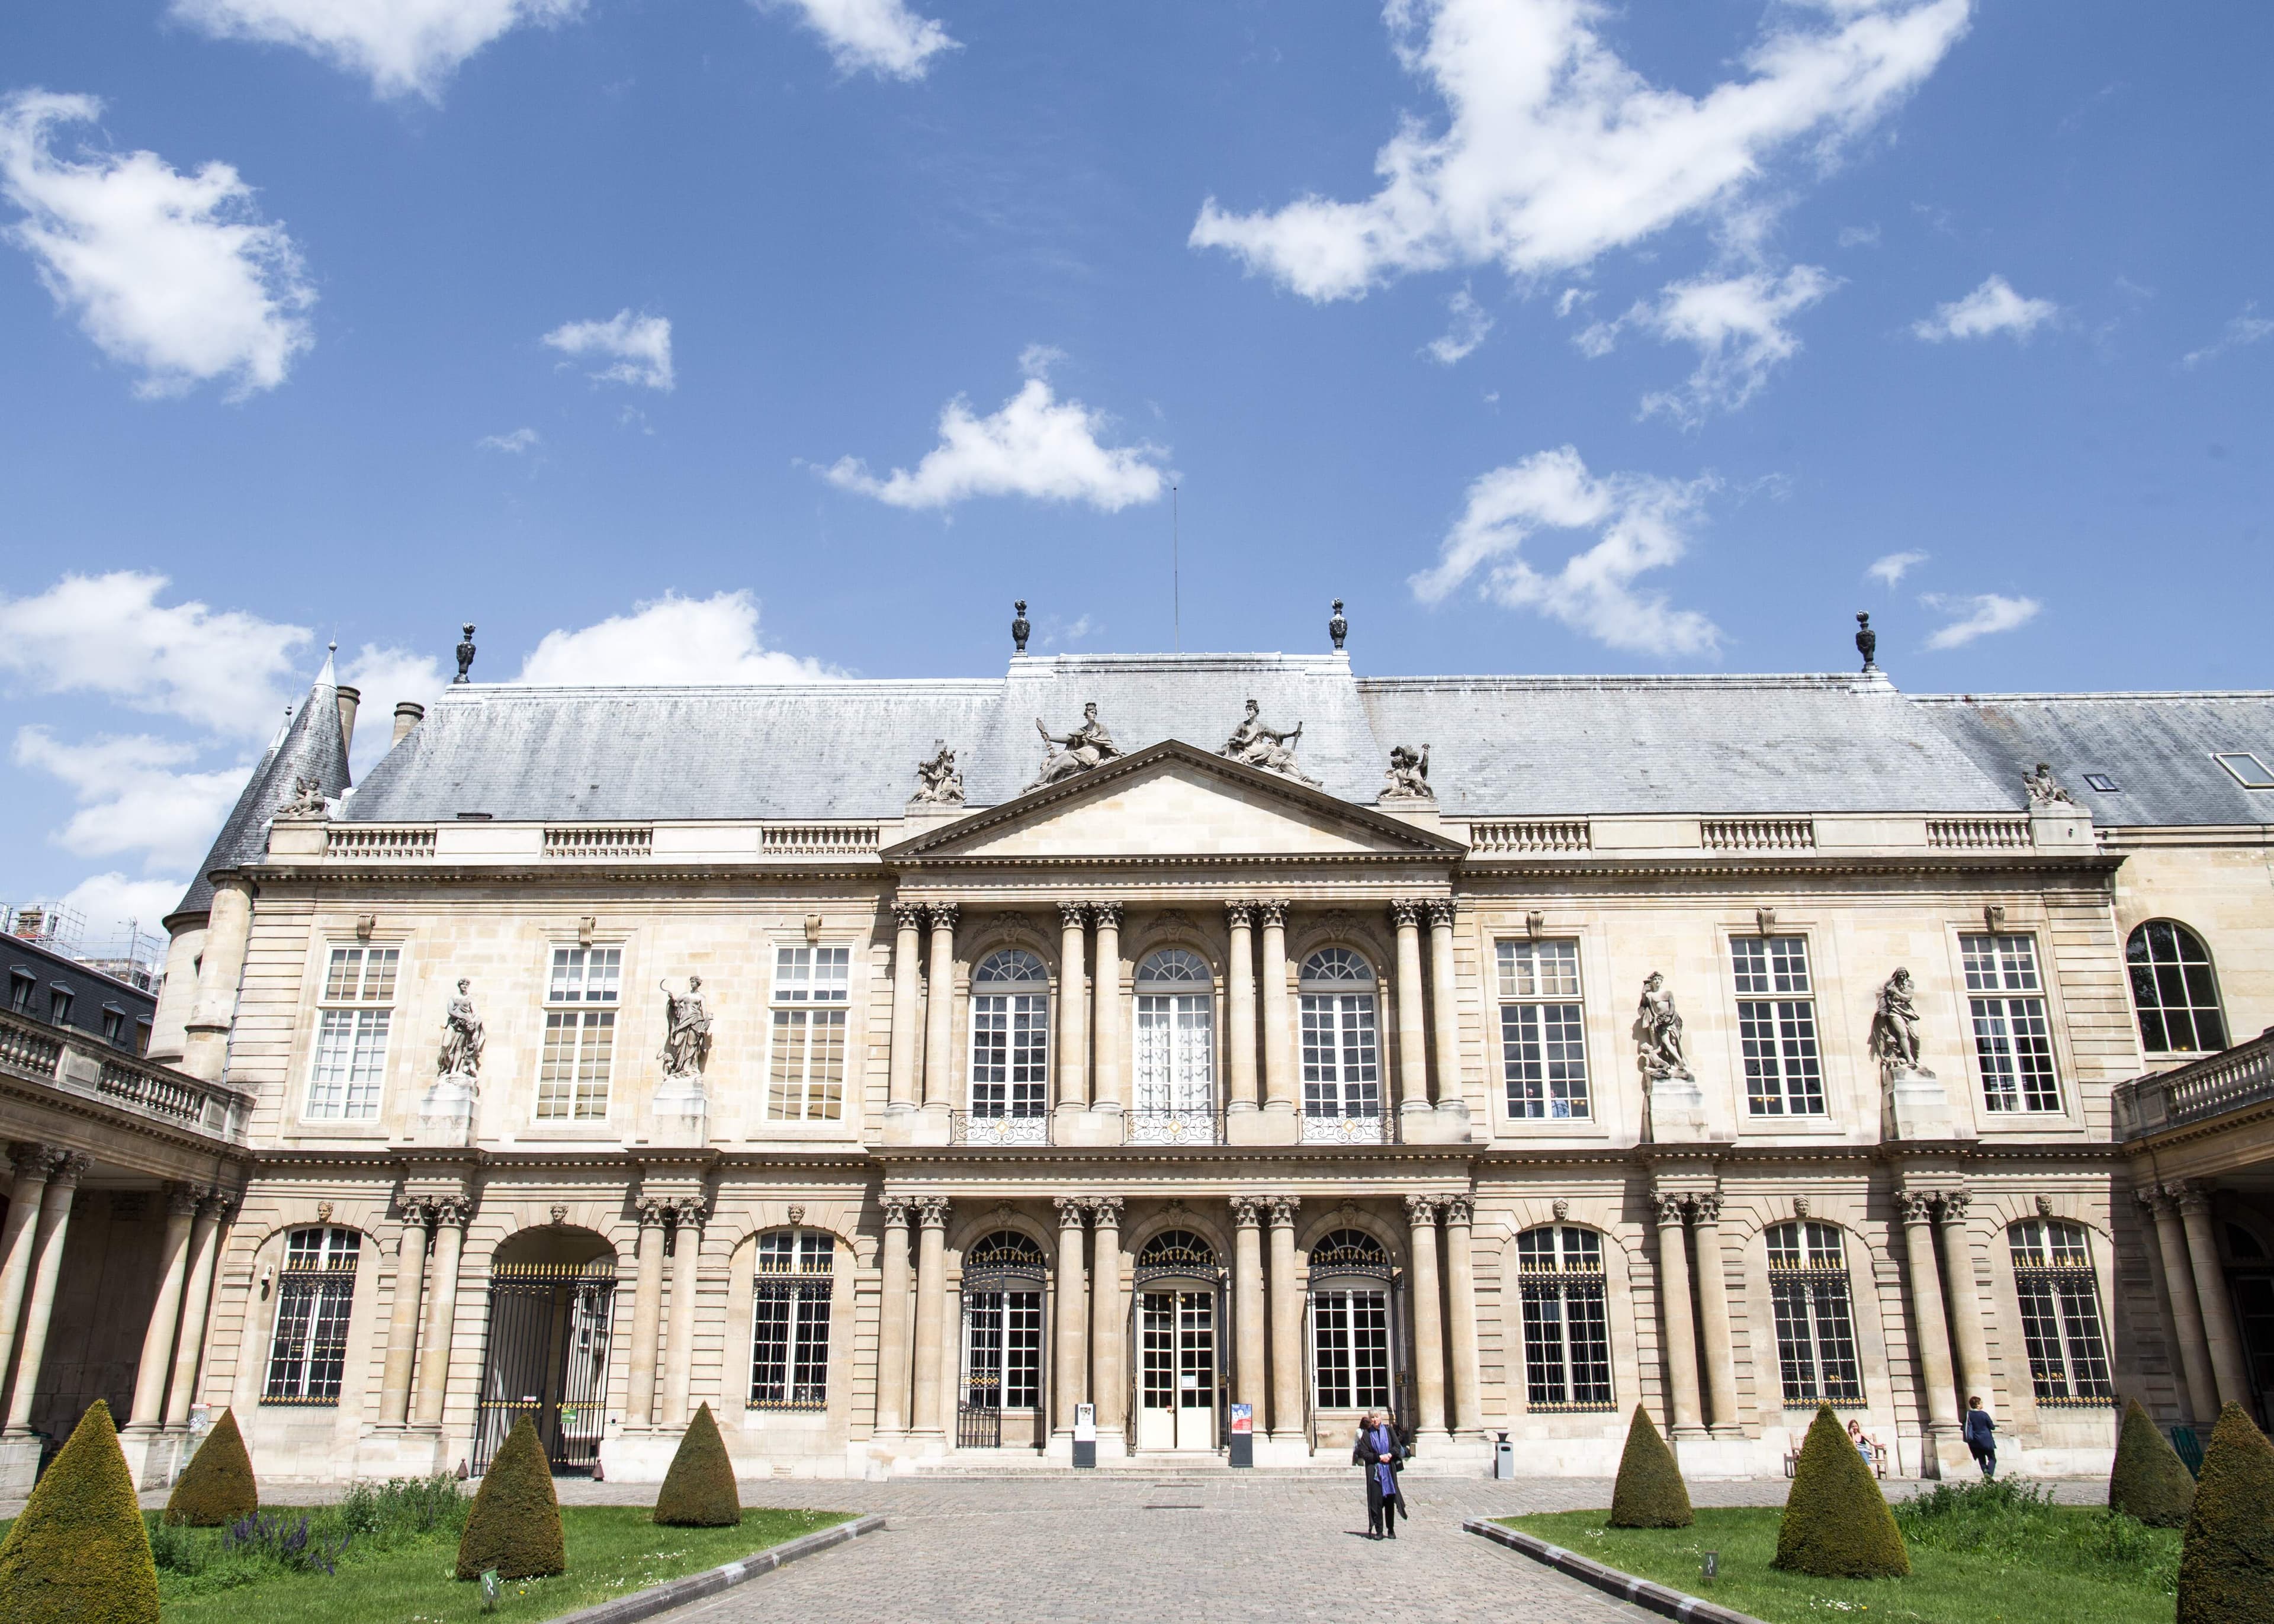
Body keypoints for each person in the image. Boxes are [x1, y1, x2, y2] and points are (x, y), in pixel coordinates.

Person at [1353, 1410, 1406, 1538]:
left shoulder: (1388, 1430)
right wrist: (1379, 1457)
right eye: (1372, 1418)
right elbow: (1364, 1453)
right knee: (1376, 1502)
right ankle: (1379, 1531)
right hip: (1376, 1472)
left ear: (1381, 1418)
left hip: (1388, 1470)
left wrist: (1389, 1454)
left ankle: (1391, 1530)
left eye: (1376, 1417)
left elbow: (1397, 1446)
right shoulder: (1367, 1434)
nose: (1375, 1420)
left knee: (1389, 1501)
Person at [1963, 1395, 1997, 1480]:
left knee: (1982, 1459)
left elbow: (1964, 1427)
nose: (1982, 1404)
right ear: (1977, 1404)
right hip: (1986, 1440)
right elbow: (1992, 1427)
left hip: (1975, 1442)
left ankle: (1985, 1471)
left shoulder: (1968, 1415)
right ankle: (1989, 1474)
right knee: (1992, 1459)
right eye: (1981, 1402)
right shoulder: (1984, 1414)